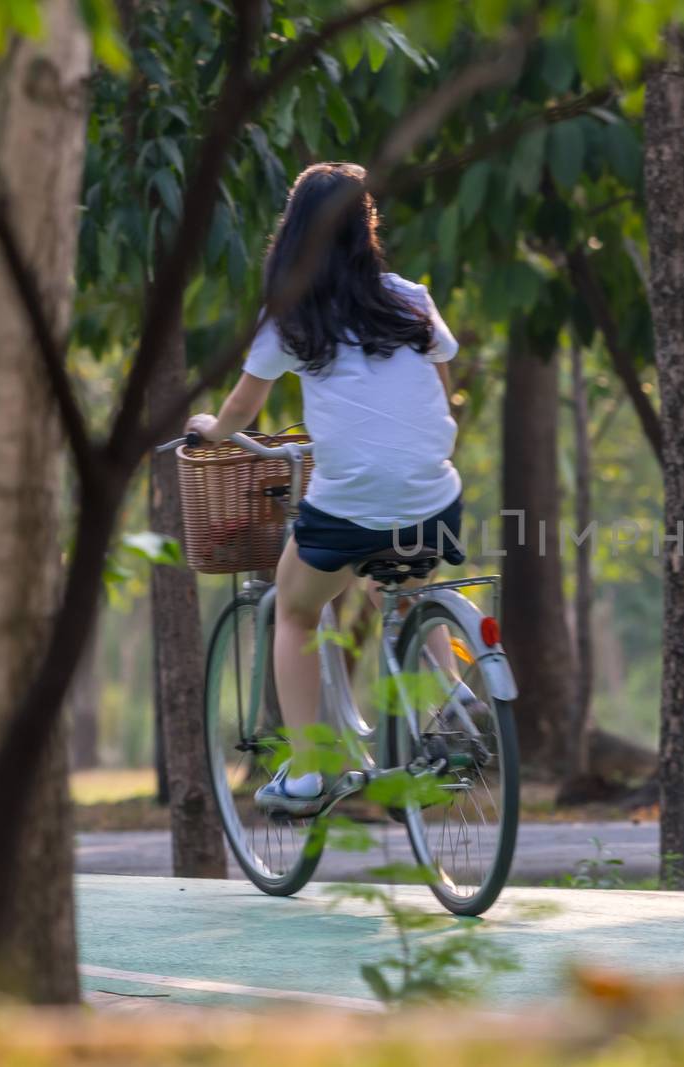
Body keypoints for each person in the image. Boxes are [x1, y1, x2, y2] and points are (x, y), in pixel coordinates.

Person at [187, 161, 467, 815]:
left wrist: (209, 428)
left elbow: (238, 412)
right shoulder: (411, 297)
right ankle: (457, 692)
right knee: (400, 568)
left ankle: (309, 773)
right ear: (366, 227)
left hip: (352, 498)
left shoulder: (290, 315)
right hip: (434, 488)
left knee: (296, 607)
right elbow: (440, 389)